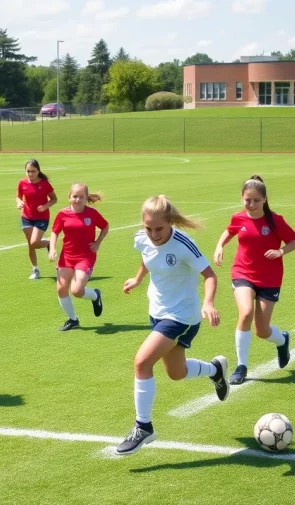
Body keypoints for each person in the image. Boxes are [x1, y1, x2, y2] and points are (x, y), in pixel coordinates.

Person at [116, 195, 228, 456]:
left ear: (170, 223)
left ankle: (143, 427)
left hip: (183, 316)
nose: (154, 234)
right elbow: (147, 256)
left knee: (142, 362)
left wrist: (208, 303)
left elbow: (209, 275)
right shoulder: (141, 238)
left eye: (159, 229)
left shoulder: (184, 244)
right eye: (149, 228)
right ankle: (214, 370)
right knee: (176, 372)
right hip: (157, 312)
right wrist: (137, 278)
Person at [213, 175, 295, 385]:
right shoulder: (238, 218)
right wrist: (220, 246)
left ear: (264, 200)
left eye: (255, 200)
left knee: (261, 330)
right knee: (245, 313)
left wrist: (280, 251)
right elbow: (229, 231)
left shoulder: (275, 220)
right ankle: (241, 366)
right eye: (247, 200)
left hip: (270, 277)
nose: (251, 204)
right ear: (242, 198)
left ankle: (282, 340)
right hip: (242, 272)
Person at [48, 182, 108, 332]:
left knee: (76, 290)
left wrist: (98, 242)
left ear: (86, 198)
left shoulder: (92, 214)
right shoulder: (62, 214)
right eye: (75, 196)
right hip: (67, 256)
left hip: (85, 257)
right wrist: (52, 249)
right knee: (61, 288)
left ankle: (95, 296)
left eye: (81, 197)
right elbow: (55, 232)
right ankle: (73, 320)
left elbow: (105, 226)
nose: (77, 199)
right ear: (69, 197)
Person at [17, 159, 57, 280]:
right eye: (28, 171)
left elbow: (54, 199)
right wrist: (19, 203)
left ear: (38, 171)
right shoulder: (22, 183)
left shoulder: (44, 184)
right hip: (26, 217)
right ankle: (35, 269)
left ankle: (49, 243)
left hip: (41, 217)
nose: (30, 174)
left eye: (33, 171)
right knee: (30, 244)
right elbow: (18, 197)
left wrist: (45, 206)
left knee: (34, 242)